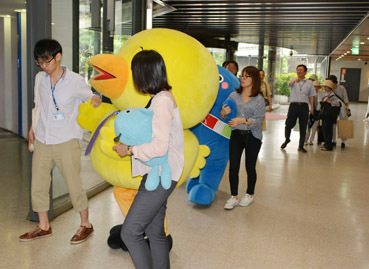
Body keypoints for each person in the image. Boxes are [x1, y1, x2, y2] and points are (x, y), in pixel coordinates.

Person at [19, 39, 101, 243]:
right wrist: (32, 127)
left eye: (47, 62)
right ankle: (44, 226)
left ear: (58, 57)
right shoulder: (40, 79)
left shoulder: (74, 80)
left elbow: (89, 98)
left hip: (66, 139)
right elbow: (38, 106)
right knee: (38, 184)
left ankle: (86, 225)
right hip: (43, 139)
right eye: (40, 63)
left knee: (74, 184)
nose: (44, 67)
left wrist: (96, 99)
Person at [113, 50, 184, 269]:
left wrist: (130, 149)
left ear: (144, 72)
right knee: (155, 232)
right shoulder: (161, 97)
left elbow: (159, 146)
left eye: (135, 71)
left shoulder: (161, 102)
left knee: (130, 232)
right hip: (161, 173)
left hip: (161, 175)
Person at [220, 66, 265, 210]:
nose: (242, 79)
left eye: (246, 76)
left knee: (250, 167)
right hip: (236, 135)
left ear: (254, 80)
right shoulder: (234, 95)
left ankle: (249, 194)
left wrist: (243, 120)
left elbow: (258, 120)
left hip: (253, 136)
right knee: (233, 167)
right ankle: (233, 196)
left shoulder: (258, 99)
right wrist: (223, 112)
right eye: (242, 76)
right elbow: (223, 113)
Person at [280, 64, 315, 153]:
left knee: (303, 126)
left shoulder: (309, 83)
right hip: (294, 106)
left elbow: (311, 96)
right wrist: (295, 80)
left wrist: (312, 108)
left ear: (305, 72)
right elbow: (289, 84)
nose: (299, 72)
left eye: (301, 70)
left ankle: (301, 146)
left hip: (304, 106)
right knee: (289, 124)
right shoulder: (293, 80)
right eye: (297, 70)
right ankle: (287, 139)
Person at [327, 75, 350, 148]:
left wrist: (347, 109)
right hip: (333, 107)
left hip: (342, 107)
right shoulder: (329, 89)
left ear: (334, 82)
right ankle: (334, 140)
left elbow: (345, 98)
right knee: (333, 123)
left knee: (343, 123)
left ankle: (343, 141)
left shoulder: (341, 88)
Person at [320, 80, 341, 151]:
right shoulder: (326, 93)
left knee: (328, 130)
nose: (324, 88)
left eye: (326, 86)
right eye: (324, 86)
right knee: (325, 130)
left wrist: (329, 101)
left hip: (329, 116)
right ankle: (326, 144)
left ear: (329, 87)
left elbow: (337, 104)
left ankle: (328, 146)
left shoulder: (332, 95)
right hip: (325, 115)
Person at [305, 80, 323, 145]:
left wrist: (319, 110)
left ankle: (311, 140)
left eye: (317, 87)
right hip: (310, 112)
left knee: (314, 127)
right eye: (314, 86)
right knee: (308, 126)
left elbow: (321, 104)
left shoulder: (321, 94)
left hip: (317, 112)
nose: (315, 88)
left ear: (319, 87)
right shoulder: (309, 94)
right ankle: (305, 140)